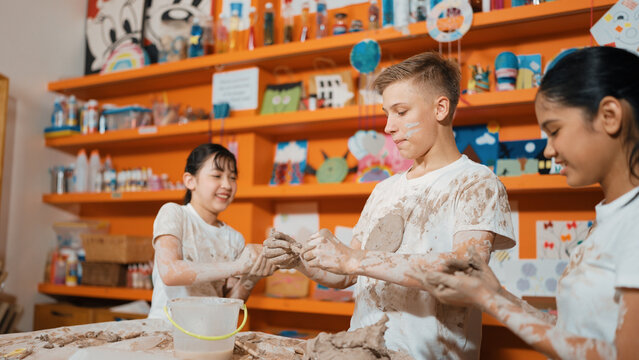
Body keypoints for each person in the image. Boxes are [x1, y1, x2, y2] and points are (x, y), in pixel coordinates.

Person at [264, 51, 515, 359]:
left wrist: (354, 258)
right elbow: (345, 276)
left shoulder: (476, 183)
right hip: (363, 350)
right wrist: (300, 261)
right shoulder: (384, 190)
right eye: (386, 113)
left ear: (440, 108)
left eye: (400, 111)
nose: (388, 127)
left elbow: (464, 276)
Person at [421, 46, 639, 359]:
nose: (548, 150)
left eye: (555, 130)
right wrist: (494, 293)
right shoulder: (610, 217)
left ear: (609, 116)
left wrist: (490, 299)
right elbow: (574, 333)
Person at [148, 143, 275, 319]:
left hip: (209, 335)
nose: (227, 185)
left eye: (232, 177)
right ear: (190, 180)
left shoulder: (234, 238)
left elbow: (229, 305)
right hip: (166, 331)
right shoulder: (174, 213)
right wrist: (238, 266)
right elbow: (171, 272)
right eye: (217, 175)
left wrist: (251, 277)